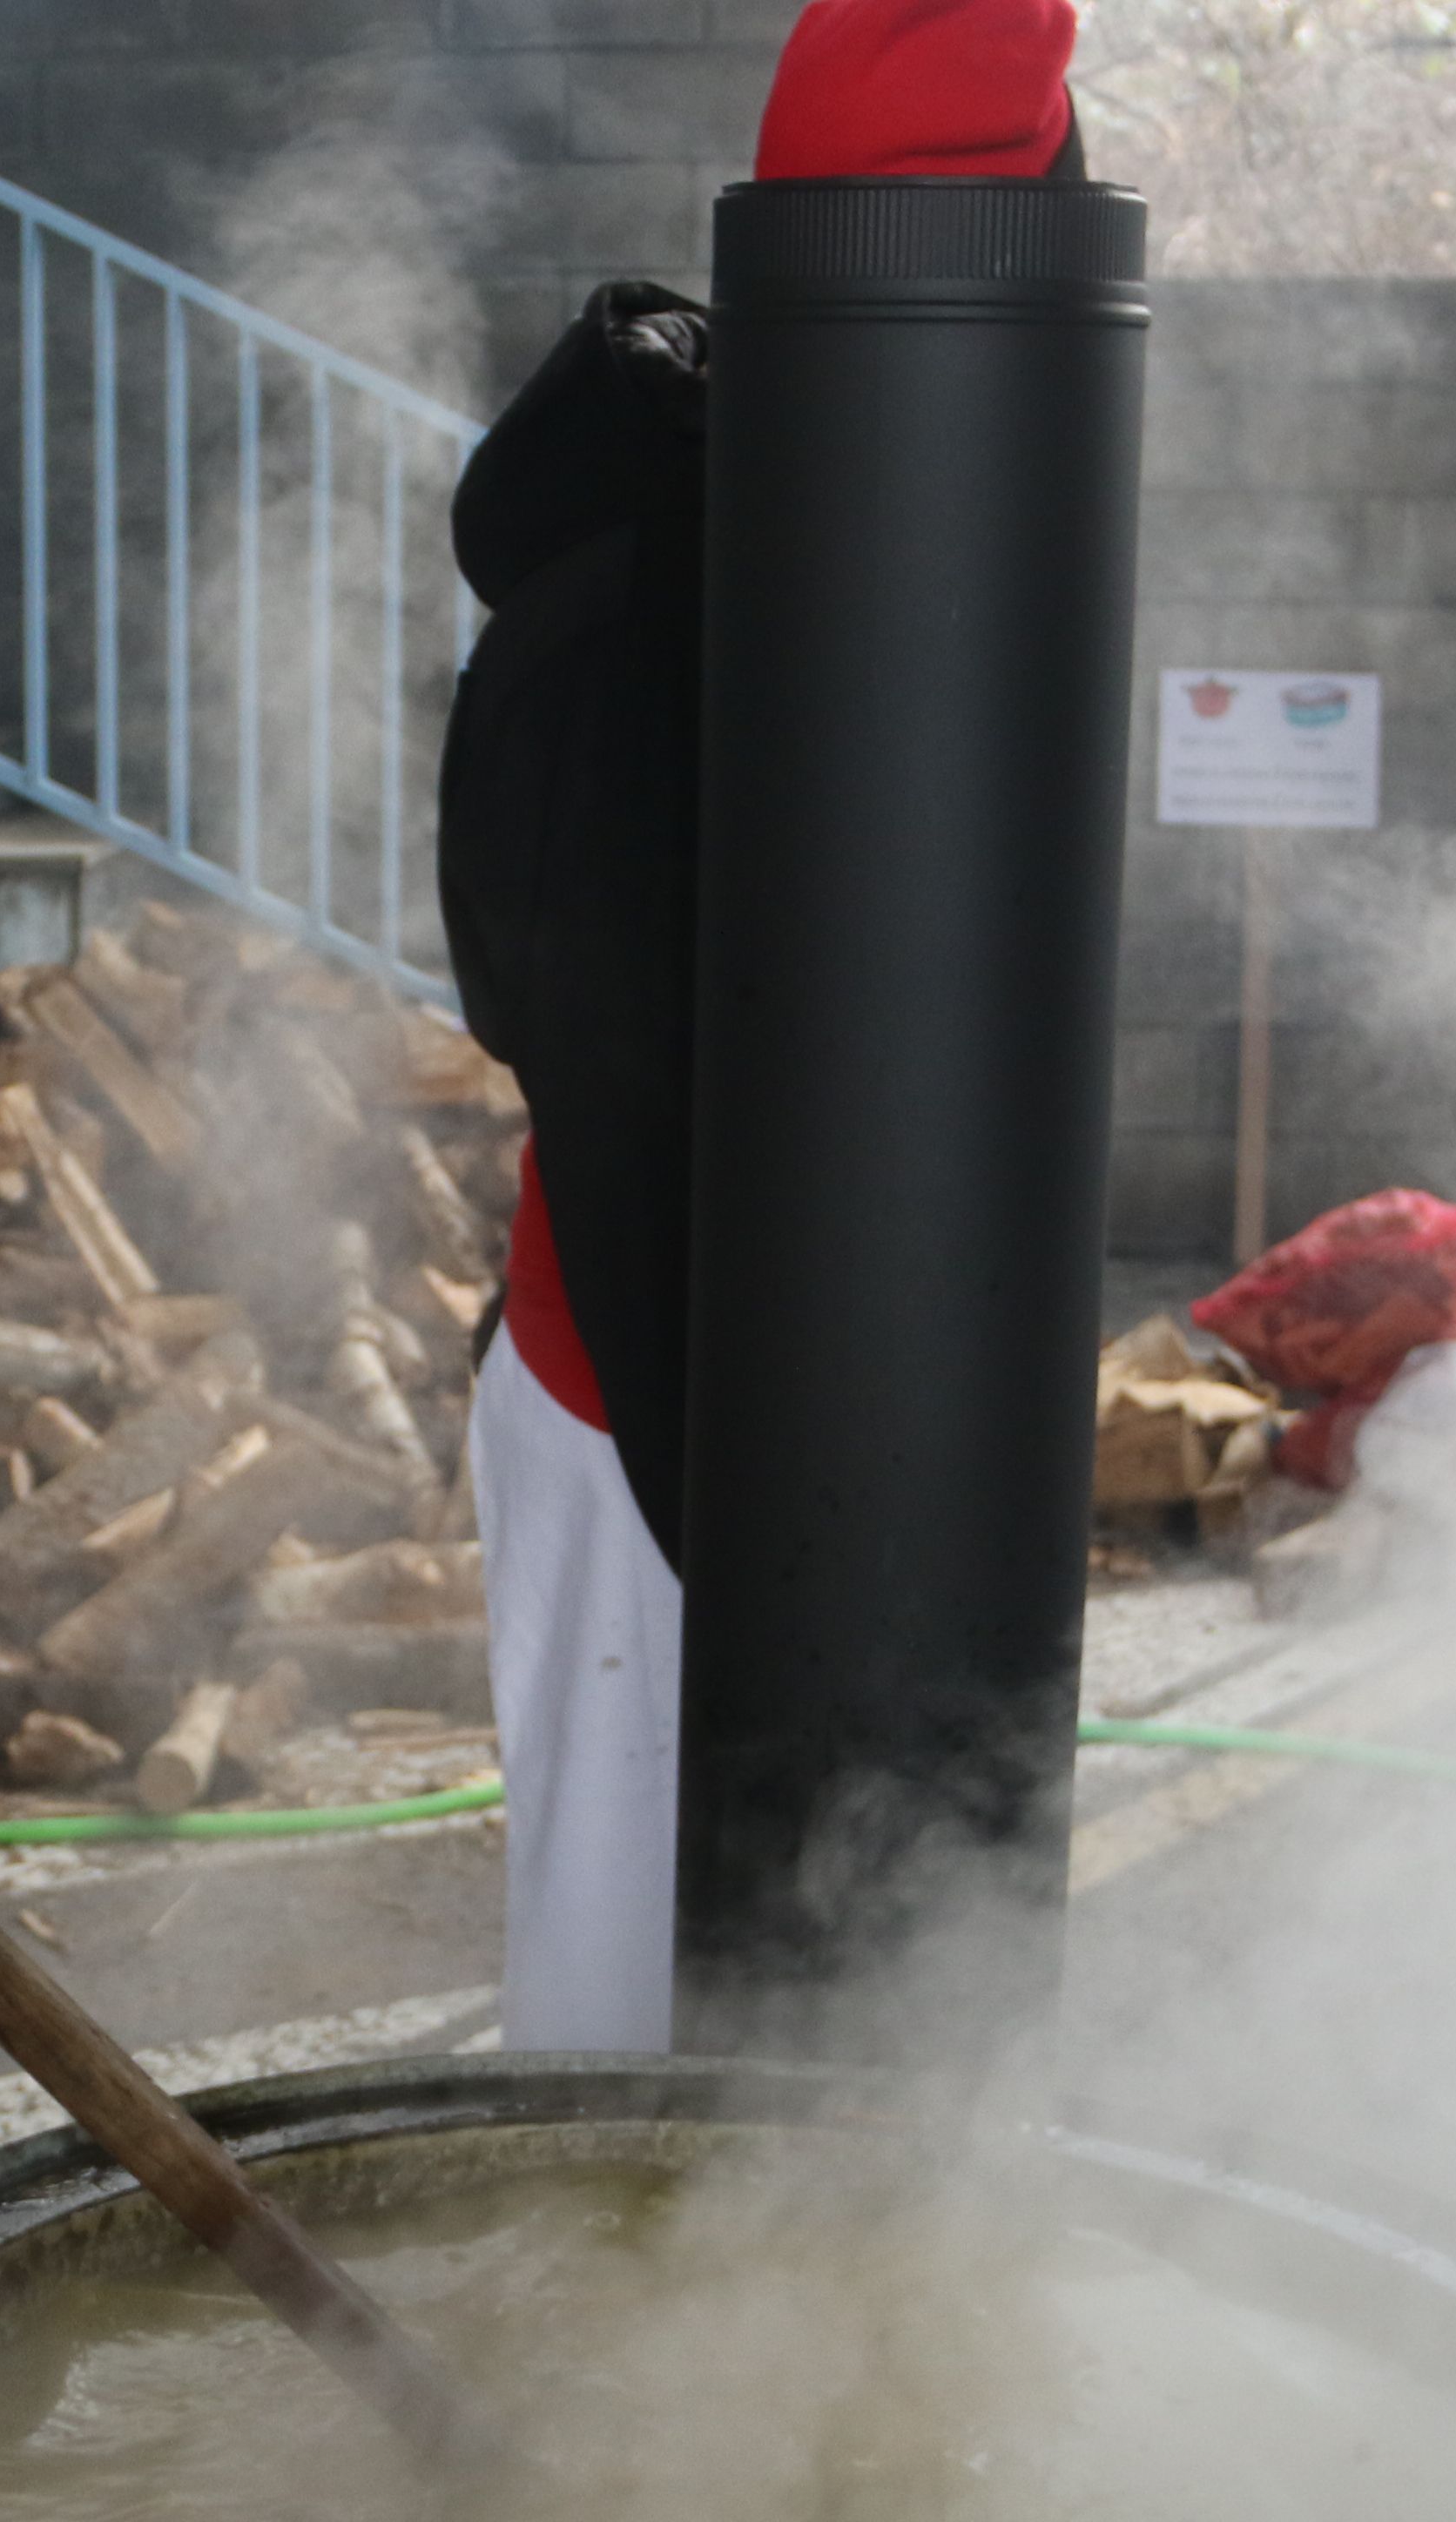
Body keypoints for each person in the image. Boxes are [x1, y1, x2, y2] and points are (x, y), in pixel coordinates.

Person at [441, 0, 1078, 2048]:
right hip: (648, 1374)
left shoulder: (736, 551)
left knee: (831, 1977)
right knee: (629, 1994)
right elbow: (591, 1022)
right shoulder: (674, 601)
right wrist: (796, 1464)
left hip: (756, 1384)